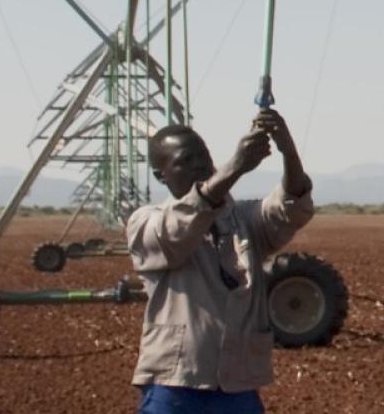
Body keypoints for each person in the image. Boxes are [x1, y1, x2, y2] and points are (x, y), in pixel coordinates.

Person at [126, 110, 314, 414]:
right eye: (184, 161)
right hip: (177, 381)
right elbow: (179, 229)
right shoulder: (147, 222)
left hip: (236, 384)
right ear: (162, 175)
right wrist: (236, 168)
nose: (199, 165)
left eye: (204, 156)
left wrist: (286, 147)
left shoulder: (242, 219)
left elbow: (290, 207)